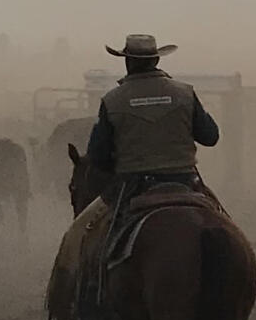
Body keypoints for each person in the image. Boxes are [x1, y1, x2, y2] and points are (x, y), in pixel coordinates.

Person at [82, 34, 219, 206]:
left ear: (127, 61)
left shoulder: (112, 100)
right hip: (186, 181)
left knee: (89, 221)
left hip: (132, 186)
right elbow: (210, 137)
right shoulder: (185, 94)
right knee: (221, 214)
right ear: (156, 60)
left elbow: (98, 156)